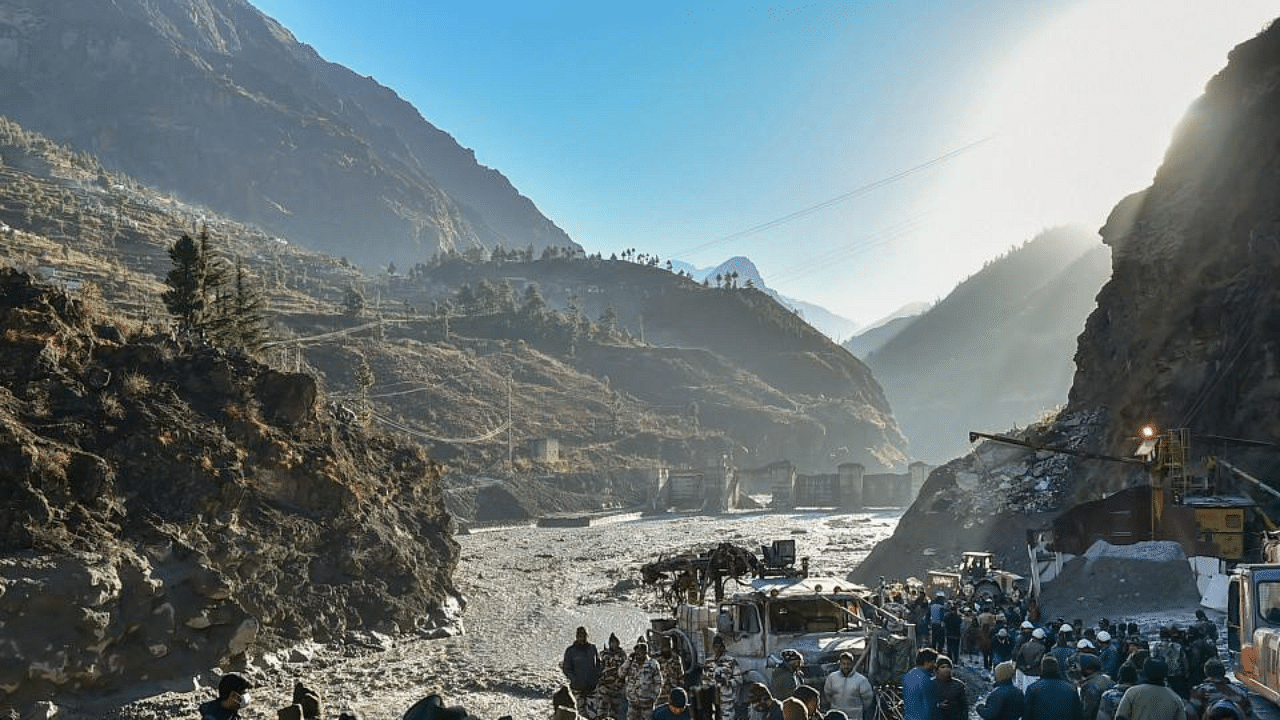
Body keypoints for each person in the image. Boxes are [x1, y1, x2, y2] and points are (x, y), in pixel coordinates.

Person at [1115, 658, 1185, 720]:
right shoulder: (1175, 698)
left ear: (1144, 671)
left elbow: (1120, 717)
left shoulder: (1132, 692)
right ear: (1165, 674)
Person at [564, 627, 603, 718]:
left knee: (593, 714)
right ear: (577, 636)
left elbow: (598, 664)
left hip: (592, 687)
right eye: (580, 636)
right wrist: (575, 679)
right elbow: (567, 668)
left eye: (584, 635)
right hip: (578, 688)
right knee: (579, 715)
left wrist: (597, 676)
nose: (582, 638)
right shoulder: (571, 650)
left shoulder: (592, 648)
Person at [824, 652, 875, 720]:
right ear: (840, 664)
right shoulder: (832, 678)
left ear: (852, 664)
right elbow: (827, 694)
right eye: (843, 664)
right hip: (837, 716)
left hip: (854, 717)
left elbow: (867, 699)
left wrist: (857, 709)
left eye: (848, 664)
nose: (846, 666)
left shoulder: (861, 680)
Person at [701, 635, 740, 720]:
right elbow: (704, 681)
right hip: (711, 699)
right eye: (716, 646)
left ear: (724, 647)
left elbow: (739, 680)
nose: (718, 649)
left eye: (721, 646)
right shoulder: (708, 662)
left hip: (726, 701)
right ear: (713, 647)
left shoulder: (731, 661)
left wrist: (726, 682)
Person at [622, 641, 664, 720]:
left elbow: (658, 683)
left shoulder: (653, 664)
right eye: (637, 652)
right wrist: (628, 660)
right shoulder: (631, 663)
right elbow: (621, 674)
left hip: (647, 702)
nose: (638, 654)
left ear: (645, 653)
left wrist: (654, 698)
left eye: (641, 652)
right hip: (633, 702)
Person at [902, 648, 939, 720]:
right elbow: (929, 705)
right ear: (926, 662)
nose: (935, 665)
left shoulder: (908, 675)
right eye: (934, 662)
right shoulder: (927, 679)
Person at [598, 634, 629, 720]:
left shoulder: (622, 655)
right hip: (605, 687)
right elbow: (599, 667)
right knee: (602, 712)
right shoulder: (604, 654)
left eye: (615, 643)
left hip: (617, 687)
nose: (613, 645)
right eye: (611, 643)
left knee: (615, 713)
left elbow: (625, 669)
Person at [1077, 654, 1114, 720]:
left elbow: (1088, 712)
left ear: (1088, 669)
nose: (1078, 669)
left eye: (1080, 666)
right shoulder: (1107, 679)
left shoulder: (1089, 686)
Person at [933, 656, 966, 720]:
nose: (946, 669)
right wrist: (938, 705)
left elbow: (964, 707)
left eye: (948, 667)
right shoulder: (930, 684)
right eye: (943, 667)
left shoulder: (958, 685)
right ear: (937, 670)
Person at [657, 636, 686, 702]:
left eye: (668, 646)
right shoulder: (656, 659)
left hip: (674, 693)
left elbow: (681, 676)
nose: (666, 649)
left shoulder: (676, 658)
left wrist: (681, 690)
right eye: (664, 647)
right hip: (660, 694)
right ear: (661, 647)